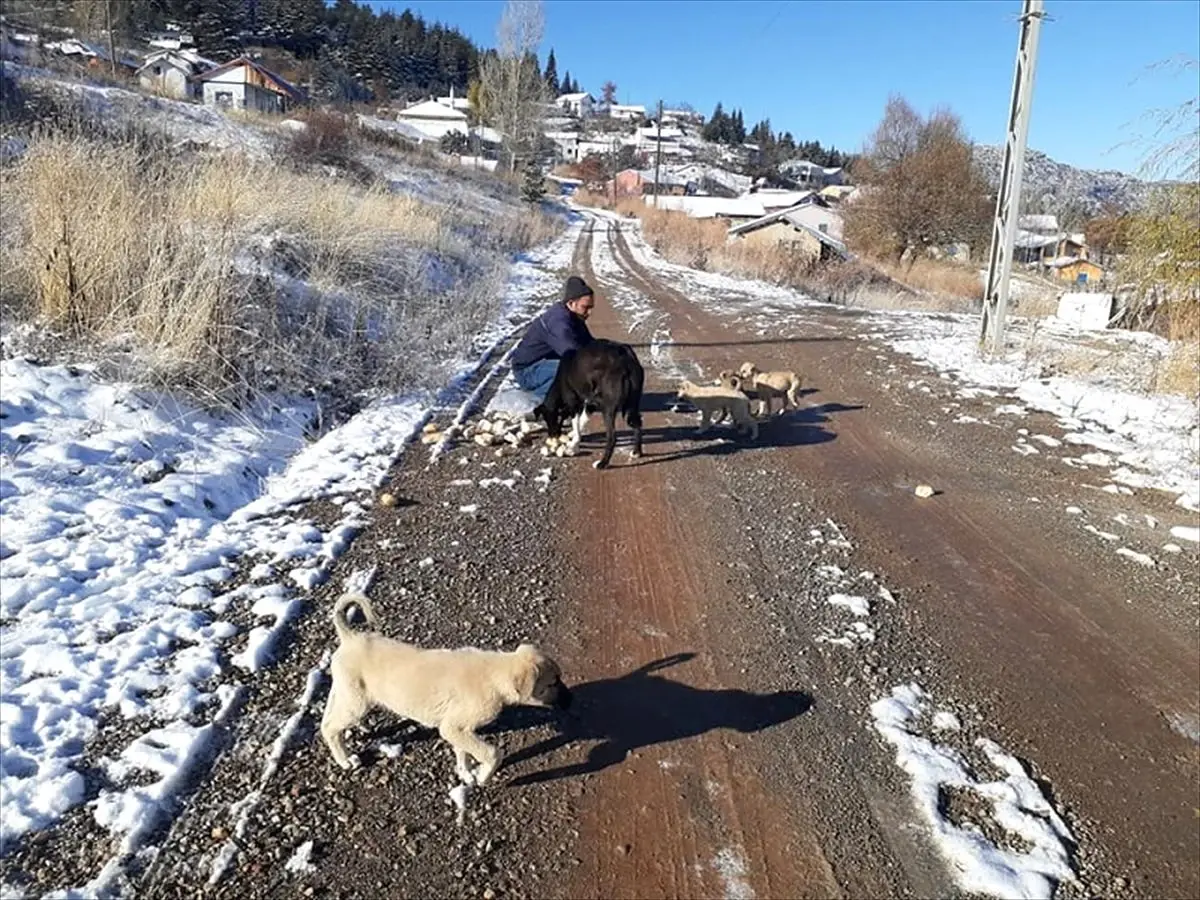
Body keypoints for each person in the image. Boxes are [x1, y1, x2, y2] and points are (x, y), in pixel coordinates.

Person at [510, 274, 596, 401]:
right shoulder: (559, 323)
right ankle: (534, 401)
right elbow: (574, 356)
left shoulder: (575, 317)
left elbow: (589, 344)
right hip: (527, 370)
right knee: (571, 371)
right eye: (586, 307)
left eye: (591, 307)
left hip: (544, 362)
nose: (589, 313)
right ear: (571, 303)